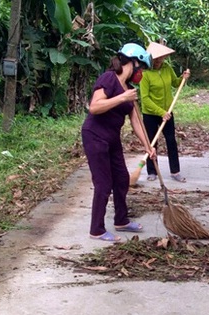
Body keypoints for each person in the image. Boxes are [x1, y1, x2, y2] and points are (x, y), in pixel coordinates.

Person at [81, 42, 157, 242]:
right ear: (132, 63)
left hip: (112, 138)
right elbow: (94, 107)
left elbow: (136, 122)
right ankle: (96, 230)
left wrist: (148, 146)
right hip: (95, 136)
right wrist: (122, 97)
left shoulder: (130, 89)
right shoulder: (109, 78)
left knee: (122, 178)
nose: (140, 73)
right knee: (103, 183)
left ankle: (121, 220)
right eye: (140, 68)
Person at [140, 42, 190, 183]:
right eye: (155, 59)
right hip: (150, 114)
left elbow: (175, 83)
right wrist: (160, 112)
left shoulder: (167, 68)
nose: (158, 61)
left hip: (167, 112)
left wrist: (183, 78)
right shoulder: (145, 74)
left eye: (161, 58)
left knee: (171, 141)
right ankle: (151, 171)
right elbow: (145, 99)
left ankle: (175, 171)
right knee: (152, 143)